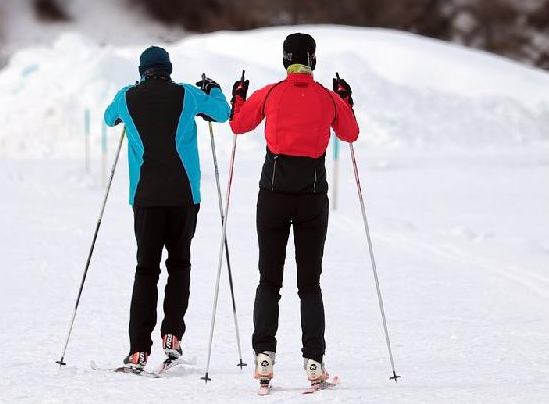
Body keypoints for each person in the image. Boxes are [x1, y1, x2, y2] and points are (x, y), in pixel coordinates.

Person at [228, 33, 358, 389]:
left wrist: (238, 96)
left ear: (286, 60)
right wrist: (346, 99)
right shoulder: (328, 98)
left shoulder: (269, 93)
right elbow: (350, 133)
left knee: (269, 279)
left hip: (272, 195)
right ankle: (314, 363)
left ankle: (264, 358)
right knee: (309, 284)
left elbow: (238, 124)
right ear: (313, 60)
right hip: (312, 197)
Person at [103, 46, 231, 373]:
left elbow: (108, 118)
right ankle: (172, 335)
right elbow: (222, 112)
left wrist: (127, 89)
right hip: (184, 196)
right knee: (179, 264)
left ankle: (137, 350)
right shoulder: (187, 94)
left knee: (146, 269)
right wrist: (213, 87)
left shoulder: (128, 97)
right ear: (169, 69)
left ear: (142, 70)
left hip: (145, 197)